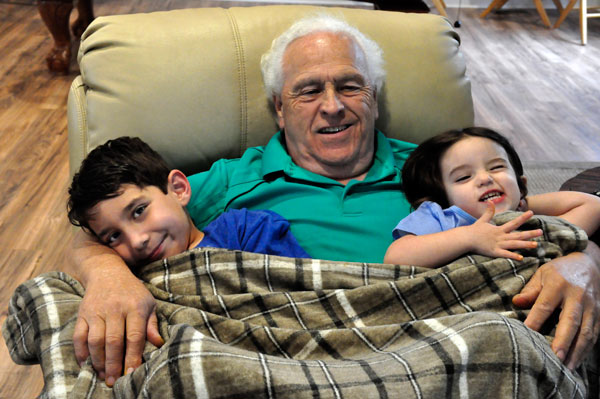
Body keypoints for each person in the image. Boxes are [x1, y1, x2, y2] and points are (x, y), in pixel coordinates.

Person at [68, 15, 600, 387]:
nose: (331, 108)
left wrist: (584, 261)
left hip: (433, 340)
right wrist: (108, 277)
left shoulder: (435, 169)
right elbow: (111, 231)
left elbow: (527, 211)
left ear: (373, 95)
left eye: (350, 86)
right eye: (307, 91)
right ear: (279, 108)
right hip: (277, 349)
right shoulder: (233, 179)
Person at [67, 136, 311, 269]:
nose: (136, 240)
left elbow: (306, 290)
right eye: (113, 237)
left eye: (139, 211)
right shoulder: (132, 278)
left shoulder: (243, 230)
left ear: (178, 189)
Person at [384, 127, 600, 267]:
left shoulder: (525, 220)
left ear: (521, 183)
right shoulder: (444, 217)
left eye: (496, 167)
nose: (485, 178)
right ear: (441, 198)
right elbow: (396, 257)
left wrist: (521, 202)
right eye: (464, 177)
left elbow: (593, 205)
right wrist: (470, 238)